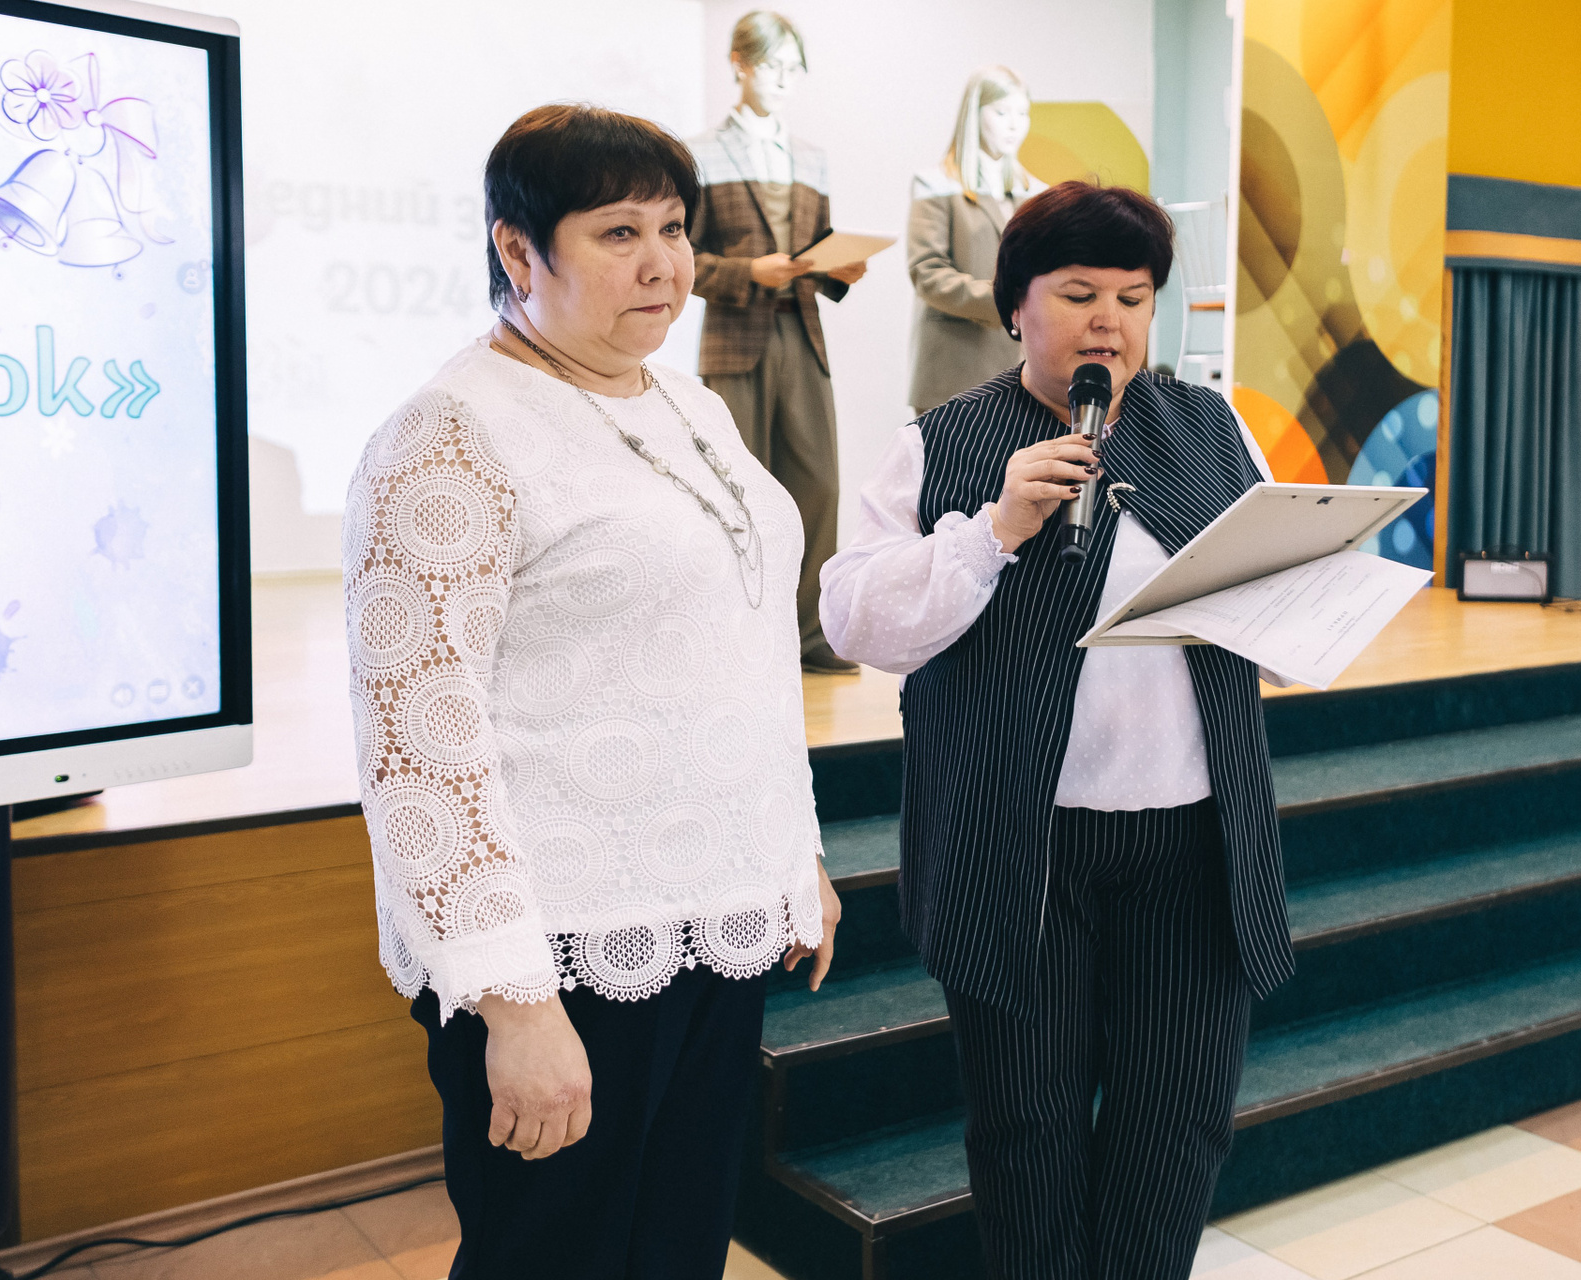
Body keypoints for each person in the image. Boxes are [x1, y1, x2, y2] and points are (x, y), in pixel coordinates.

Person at [343, 103, 841, 1280]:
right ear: (519, 251)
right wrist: (514, 1001)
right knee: (555, 1256)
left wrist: (793, 856)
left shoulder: (686, 402)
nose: (664, 263)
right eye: (620, 232)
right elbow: (420, 738)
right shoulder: (452, 432)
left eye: (674, 228)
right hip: (563, 950)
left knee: (678, 1248)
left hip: (711, 920)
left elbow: (739, 647)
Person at [819, 182, 1295, 1280]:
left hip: (1191, 840)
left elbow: (1270, 595)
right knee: (1027, 1130)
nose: (1108, 323)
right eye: (1078, 293)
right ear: (1015, 307)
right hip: (1019, 848)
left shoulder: (1213, 427)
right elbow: (857, 621)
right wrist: (992, 528)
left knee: (1176, 1125)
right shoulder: (940, 442)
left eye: (1133, 297)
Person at [689, 10, 866, 674]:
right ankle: (738, 636)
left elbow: (818, 251)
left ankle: (811, 635)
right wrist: (747, 273)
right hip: (736, 339)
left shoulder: (812, 158)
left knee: (818, 485)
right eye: (772, 66)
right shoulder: (700, 153)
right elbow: (683, 259)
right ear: (739, 63)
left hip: (802, 332)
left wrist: (839, 269)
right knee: (736, 489)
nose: (785, 80)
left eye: (794, 69)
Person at [906, 65, 1044, 416]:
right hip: (954, 367)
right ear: (974, 114)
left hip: (1024, 369)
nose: (1014, 125)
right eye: (1002, 113)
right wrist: (1002, 301)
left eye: (1022, 114)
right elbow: (927, 272)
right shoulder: (936, 184)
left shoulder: (1036, 193)